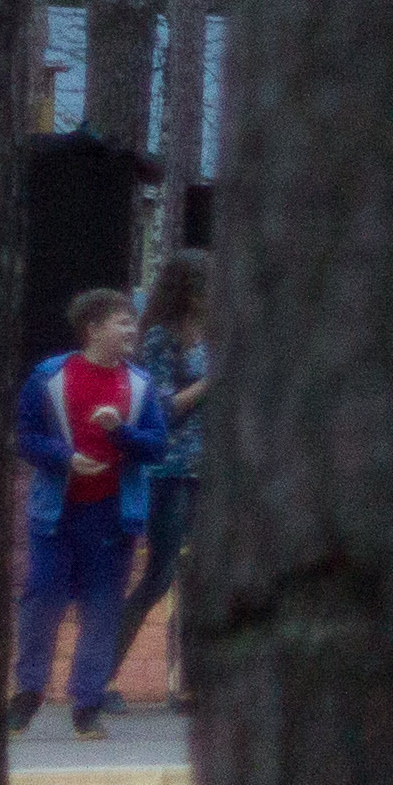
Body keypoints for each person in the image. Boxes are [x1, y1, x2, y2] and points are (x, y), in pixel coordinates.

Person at [12, 290, 174, 738]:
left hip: (112, 515)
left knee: (102, 609)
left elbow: (158, 447)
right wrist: (64, 458)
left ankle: (86, 704)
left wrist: (119, 431)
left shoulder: (140, 384)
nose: (131, 331)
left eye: (132, 323)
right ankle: (27, 695)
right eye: (122, 323)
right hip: (55, 513)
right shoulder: (49, 377)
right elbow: (24, 436)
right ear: (93, 328)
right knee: (41, 600)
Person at [122, 251, 214, 704]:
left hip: (211, 473)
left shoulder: (218, 338)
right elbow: (161, 410)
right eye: (205, 286)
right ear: (187, 291)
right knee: (160, 575)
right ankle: (96, 680)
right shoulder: (160, 340)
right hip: (171, 471)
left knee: (203, 577)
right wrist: (209, 384)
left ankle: (191, 684)